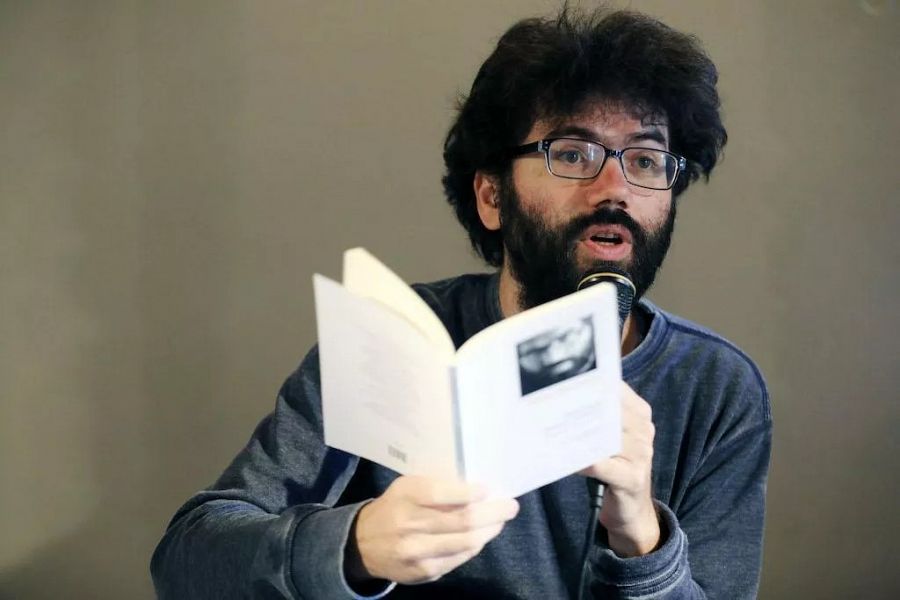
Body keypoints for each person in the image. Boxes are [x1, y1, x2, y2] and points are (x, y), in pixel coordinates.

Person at [151, 7, 771, 599]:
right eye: (572, 154)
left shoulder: (716, 388)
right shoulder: (387, 339)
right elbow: (187, 566)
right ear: (491, 197)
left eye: (646, 160)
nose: (615, 190)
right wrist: (353, 547)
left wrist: (642, 539)